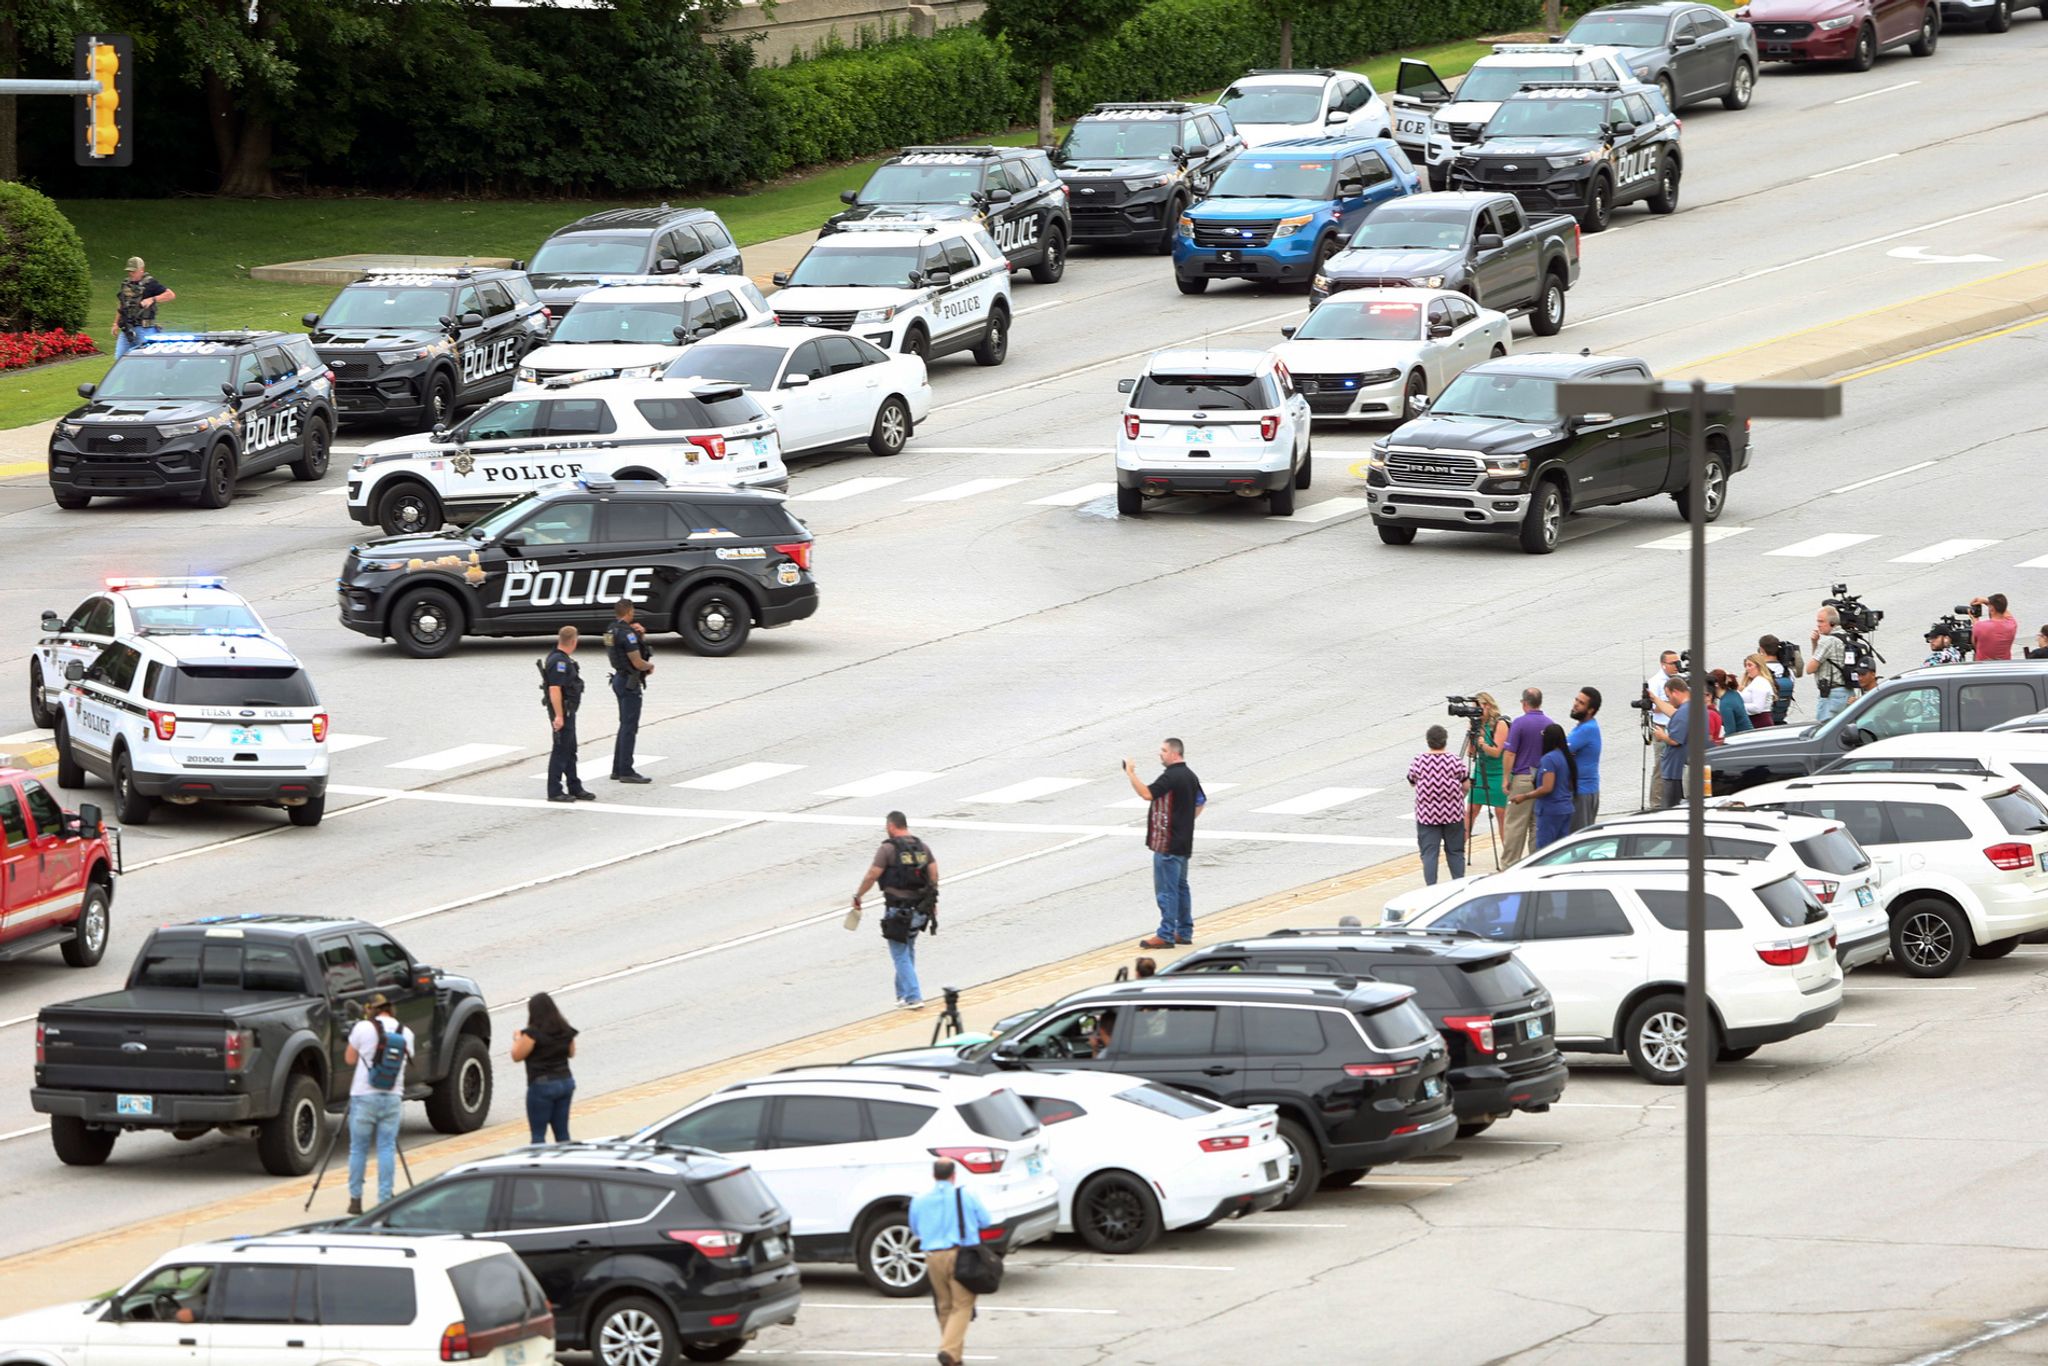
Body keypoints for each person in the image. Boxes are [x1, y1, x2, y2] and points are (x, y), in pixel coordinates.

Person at [909, 1158, 991, 1366]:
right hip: (961, 1255)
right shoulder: (965, 1195)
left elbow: (915, 1229)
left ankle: (955, 1358)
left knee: (944, 1305)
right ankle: (948, 1350)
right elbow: (986, 1220)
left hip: (933, 1256)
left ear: (933, 1175)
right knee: (962, 1305)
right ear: (953, 1175)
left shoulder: (919, 1200)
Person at [852, 812, 938, 1009]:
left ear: (891, 826)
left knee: (900, 954)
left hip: (897, 911)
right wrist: (932, 902)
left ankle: (914, 997)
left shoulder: (888, 848)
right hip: (919, 909)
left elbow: (872, 875)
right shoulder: (922, 847)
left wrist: (858, 896)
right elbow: (933, 874)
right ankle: (902, 995)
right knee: (908, 949)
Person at [1128, 738, 1206, 950]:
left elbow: (1147, 794)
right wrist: (1185, 821)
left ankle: (1166, 934)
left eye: (1163, 751)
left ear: (1174, 754)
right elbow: (1201, 802)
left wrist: (1131, 773)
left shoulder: (1171, 776)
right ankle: (1184, 931)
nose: (1160, 754)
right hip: (1183, 842)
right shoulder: (1190, 776)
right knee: (1181, 887)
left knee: (1166, 890)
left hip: (1167, 844)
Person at [342, 993, 414, 1215]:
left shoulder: (363, 1027)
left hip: (364, 1095)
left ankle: (356, 1199)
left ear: (371, 1009)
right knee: (386, 1148)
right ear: (390, 1009)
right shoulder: (406, 1032)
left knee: (358, 1149)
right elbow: (409, 1061)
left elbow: (350, 1059)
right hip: (392, 1096)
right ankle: (384, 1199)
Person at [511, 992, 578, 1144]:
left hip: (542, 1086)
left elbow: (516, 1055)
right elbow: (571, 1053)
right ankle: (565, 1164)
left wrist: (517, 1039)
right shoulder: (565, 1030)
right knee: (563, 1135)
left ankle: (539, 1165)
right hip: (565, 1082)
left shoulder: (532, 1034)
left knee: (538, 1136)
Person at [1407, 725, 1470, 885]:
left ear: (1428, 741)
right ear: (1445, 741)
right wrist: (1457, 798)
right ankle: (1458, 884)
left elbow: (1412, 781)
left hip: (1427, 815)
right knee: (1455, 851)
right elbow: (1466, 785)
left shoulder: (1419, 761)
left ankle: (1431, 887)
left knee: (1429, 854)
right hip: (1453, 814)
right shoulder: (1455, 761)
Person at [602, 600, 654, 784]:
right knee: (629, 727)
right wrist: (650, 666)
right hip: (629, 682)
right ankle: (626, 770)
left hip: (618, 678)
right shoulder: (627, 634)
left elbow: (618, 651)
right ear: (629, 612)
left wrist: (640, 634)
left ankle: (618, 768)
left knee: (624, 725)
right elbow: (638, 661)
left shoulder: (610, 630)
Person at [1499, 689, 1553, 863]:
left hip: (1522, 779)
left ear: (1524, 703)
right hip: (1542, 780)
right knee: (1536, 826)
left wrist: (1506, 778)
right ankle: (1536, 864)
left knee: (1515, 825)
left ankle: (1510, 864)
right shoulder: (1550, 724)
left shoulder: (1519, 723)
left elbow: (1509, 753)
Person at [542, 626, 595, 803]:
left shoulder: (561, 658)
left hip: (567, 710)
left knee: (570, 750)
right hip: (562, 711)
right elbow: (554, 689)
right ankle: (554, 790)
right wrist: (559, 716)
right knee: (560, 750)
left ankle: (574, 786)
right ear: (573, 641)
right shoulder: (559, 662)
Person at [1511, 723, 1577, 853]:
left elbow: (1547, 787)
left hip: (1550, 811)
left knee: (1545, 851)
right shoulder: (1565, 756)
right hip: (1566, 808)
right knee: (1562, 850)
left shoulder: (1549, 759)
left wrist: (1524, 796)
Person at [1463, 693, 1509, 857]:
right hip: (1480, 770)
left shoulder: (1500, 723)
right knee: (1471, 811)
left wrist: (1483, 743)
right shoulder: (1477, 725)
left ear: (1488, 706)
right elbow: (1471, 754)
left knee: (1500, 812)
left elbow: (1497, 752)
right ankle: (1458, 850)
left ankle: (1508, 853)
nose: (1478, 711)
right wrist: (1472, 734)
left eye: (1480, 707)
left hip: (1497, 772)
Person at [113, 257, 174, 358]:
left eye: (133, 271)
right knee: (120, 358)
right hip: (127, 328)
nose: (131, 274)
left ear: (141, 270)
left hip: (145, 329)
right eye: (129, 271)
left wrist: (152, 299)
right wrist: (115, 323)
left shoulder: (150, 283)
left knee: (147, 358)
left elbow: (170, 295)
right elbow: (122, 304)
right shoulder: (126, 284)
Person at [1807, 607, 1854, 723]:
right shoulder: (1847, 637)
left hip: (1832, 696)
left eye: (1821, 621)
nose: (1818, 625)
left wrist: (1815, 643)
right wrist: (1815, 643)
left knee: (1825, 732)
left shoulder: (1828, 641)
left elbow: (1810, 669)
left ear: (1832, 623)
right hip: (1848, 692)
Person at [1567, 687, 1603, 831]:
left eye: (1581, 703)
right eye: (1576, 699)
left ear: (1590, 710)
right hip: (1582, 791)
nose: (1575, 704)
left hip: (1583, 792)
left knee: (1578, 840)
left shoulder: (1587, 729)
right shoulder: (1582, 727)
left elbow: (1560, 750)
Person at [1657, 677, 1693, 810]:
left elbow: (1676, 740)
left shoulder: (1683, 711)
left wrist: (1662, 736)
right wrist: (1655, 699)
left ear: (1676, 692)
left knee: (1669, 808)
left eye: (1668, 696)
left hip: (1674, 770)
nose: (1669, 701)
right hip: (1681, 767)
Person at [1758, 634, 1795, 725]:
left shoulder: (1759, 671)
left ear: (1761, 649)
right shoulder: (1788, 672)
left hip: (1762, 720)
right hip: (1780, 718)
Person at [1971, 594, 2018, 661]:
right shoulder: (2012, 624)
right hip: (2005, 666)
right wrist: (1988, 602)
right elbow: (2005, 611)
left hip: (1983, 667)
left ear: (1992, 608)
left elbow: (1974, 644)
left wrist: (1975, 620)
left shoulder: (1979, 626)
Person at [1711, 668, 1751, 737]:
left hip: (1743, 739)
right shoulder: (1734, 693)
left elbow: (1730, 732)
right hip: (1750, 733)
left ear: (1716, 685)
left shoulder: (1725, 704)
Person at [1740, 657, 1776, 729]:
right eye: (1746, 666)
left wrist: (1738, 706)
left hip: (1760, 722)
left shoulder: (1760, 683)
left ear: (1759, 666)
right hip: (1754, 721)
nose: (1747, 669)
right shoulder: (1755, 682)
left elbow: (1757, 708)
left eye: (1750, 665)